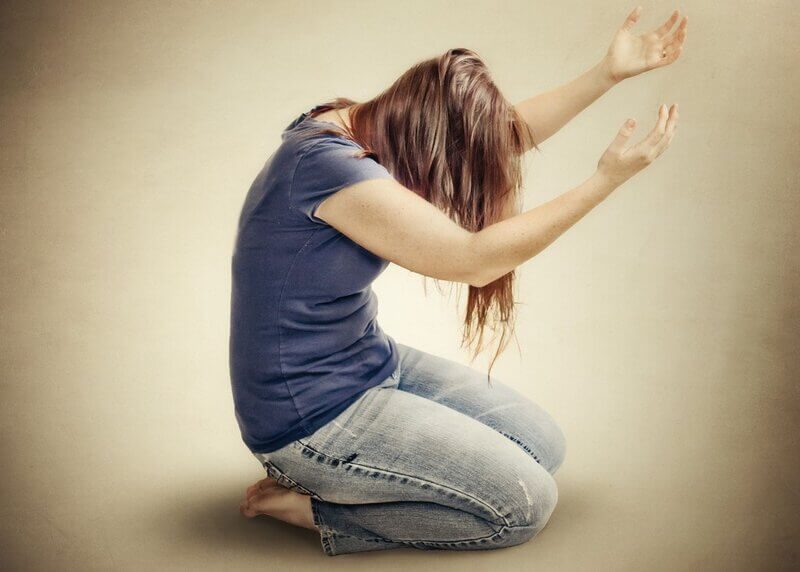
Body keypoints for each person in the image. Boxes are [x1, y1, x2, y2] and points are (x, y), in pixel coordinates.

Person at [231, 7, 687, 557]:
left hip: (370, 360)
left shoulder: (357, 120)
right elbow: (475, 260)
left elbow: (496, 137)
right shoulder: (334, 168)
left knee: (543, 446)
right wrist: (604, 181)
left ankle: (361, 481)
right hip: (309, 418)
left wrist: (605, 74)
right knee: (523, 507)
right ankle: (321, 508)